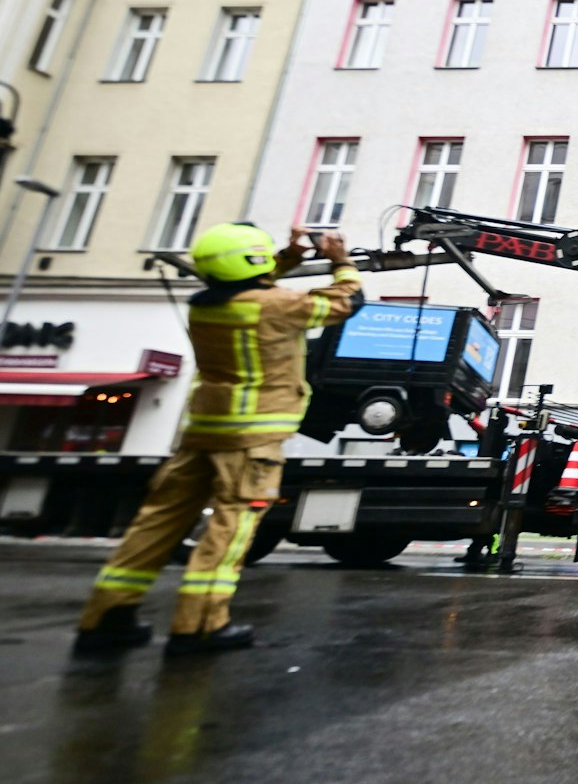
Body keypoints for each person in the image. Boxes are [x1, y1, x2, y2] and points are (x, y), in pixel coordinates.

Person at [73, 224, 364, 656]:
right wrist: (341, 260)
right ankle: (201, 625)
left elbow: (247, 286)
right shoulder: (275, 306)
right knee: (229, 529)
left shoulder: (207, 307)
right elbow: (346, 301)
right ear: (253, 263)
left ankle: (107, 615)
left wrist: (287, 257)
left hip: (203, 433)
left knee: (156, 523)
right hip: (252, 440)